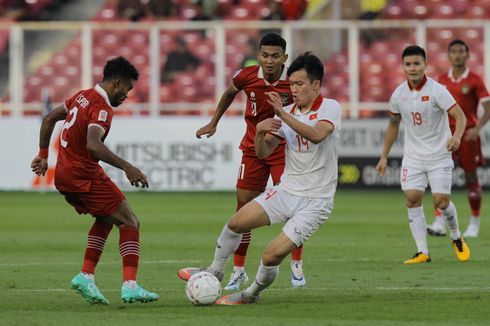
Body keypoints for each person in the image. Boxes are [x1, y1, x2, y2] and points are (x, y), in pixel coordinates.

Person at [179, 52, 341, 305]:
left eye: (299, 84)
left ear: (316, 85)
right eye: (293, 84)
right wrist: (260, 133)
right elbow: (263, 151)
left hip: (315, 201)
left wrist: (281, 114)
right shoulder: (285, 112)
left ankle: (250, 294)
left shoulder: (329, 107)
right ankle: (215, 270)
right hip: (286, 191)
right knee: (236, 223)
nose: (294, 89)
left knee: (270, 255)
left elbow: (317, 135)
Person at [30, 56, 159, 305]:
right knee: (130, 222)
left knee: (105, 218)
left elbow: (48, 119)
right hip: (84, 174)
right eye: (127, 89)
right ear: (118, 82)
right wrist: (127, 167)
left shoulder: (82, 95)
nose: (126, 96)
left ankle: (85, 276)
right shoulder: (101, 107)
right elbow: (93, 145)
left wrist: (43, 156)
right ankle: (130, 285)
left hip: (64, 175)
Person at [194, 33, 306, 290]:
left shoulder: (293, 83)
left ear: (284, 58)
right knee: (243, 208)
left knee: (292, 206)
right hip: (252, 150)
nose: (269, 61)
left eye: (275, 56)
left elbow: (306, 108)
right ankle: (239, 270)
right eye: (265, 55)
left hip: (282, 149)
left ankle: (297, 266)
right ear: (258, 56)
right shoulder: (245, 76)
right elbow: (228, 94)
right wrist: (214, 122)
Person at [376, 45, 470, 264]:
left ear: (425, 65)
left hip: (439, 155)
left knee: (441, 202)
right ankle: (422, 252)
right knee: (411, 198)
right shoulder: (399, 94)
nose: (413, 68)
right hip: (414, 156)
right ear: (403, 67)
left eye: (417, 63)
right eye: (408, 64)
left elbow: (461, 116)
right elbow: (393, 124)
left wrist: (456, 137)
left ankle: (456, 235)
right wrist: (383, 157)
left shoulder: (437, 90)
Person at [427, 39, 490, 238]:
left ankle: (474, 222)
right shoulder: (441, 79)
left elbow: (488, 108)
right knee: (439, 177)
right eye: (453, 51)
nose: (457, 55)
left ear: (467, 55)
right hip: (446, 137)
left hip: (467, 134)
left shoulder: (474, 79)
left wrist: (477, 129)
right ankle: (439, 222)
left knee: (471, 178)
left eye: (461, 51)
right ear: (449, 55)